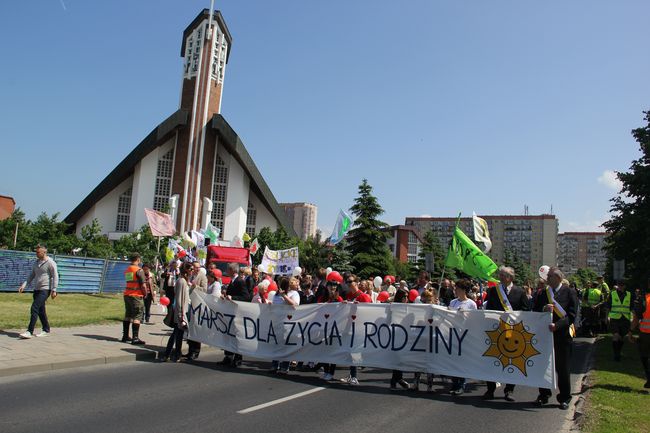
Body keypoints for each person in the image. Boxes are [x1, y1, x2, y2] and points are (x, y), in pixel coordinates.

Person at [534, 267, 578, 409]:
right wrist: (543, 310)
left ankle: (564, 397)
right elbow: (534, 311)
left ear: (558, 277)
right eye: (548, 276)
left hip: (562, 335)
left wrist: (557, 325)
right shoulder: (543, 293)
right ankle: (543, 394)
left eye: (550, 276)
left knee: (563, 368)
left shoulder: (570, 292)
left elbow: (571, 315)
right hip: (545, 335)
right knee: (543, 366)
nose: (547, 278)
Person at [483, 266, 530, 401]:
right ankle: (490, 389)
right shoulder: (493, 291)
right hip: (496, 331)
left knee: (512, 362)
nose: (501, 277)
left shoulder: (520, 292)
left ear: (510, 277)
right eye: (500, 275)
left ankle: (509, 390)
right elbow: (489, 309)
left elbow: (526, 310)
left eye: (503, 275)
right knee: (492, 360)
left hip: (513, 333)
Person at [18, 245, 58, 339]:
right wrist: (24, 285)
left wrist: (54, 289)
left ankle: (29, 331)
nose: (36, 253)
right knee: (41, 310)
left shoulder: (50, 262)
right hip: (37, 289)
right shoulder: (36, 262)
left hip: (45, 289)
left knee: (34, 308)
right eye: (36, 252)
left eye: (38, 252)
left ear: (44, 252)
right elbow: (32, 275)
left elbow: (55, 276)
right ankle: (46, 329)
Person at [448, 278, 477, 395]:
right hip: (453, 333)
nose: (456, 291)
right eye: (456, 289)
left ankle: (461, 384)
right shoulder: (453, 302)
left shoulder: (471, 304)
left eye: (458, 289)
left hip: (464, 335)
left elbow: (474, 320)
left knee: (462, 360)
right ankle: (455, 383)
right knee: (453, 360)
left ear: (464, 290)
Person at [219, 263, 251, 367]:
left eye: (228, 270)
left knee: (236, 335)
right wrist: (225, 297)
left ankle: (238, 358)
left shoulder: (240, 281)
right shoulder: (232, 281)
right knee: (228, 334)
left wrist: (233, 298)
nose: (226, 272)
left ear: (233, 270)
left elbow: (246, 297)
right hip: (230, 313)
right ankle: (228, 356)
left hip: (237, 313)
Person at [339, 278, 371, 385]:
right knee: (350, 351)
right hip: (349, 327)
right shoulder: (348, 296)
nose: (348, 284)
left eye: (351, 281)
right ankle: (351, 375)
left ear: (356, 282)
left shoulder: (363, 296)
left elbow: (370, 310)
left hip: (359, 327)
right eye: (347, 282)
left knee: (354, 351)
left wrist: (360, 307)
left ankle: (354, 377)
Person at [161, 262, 192, 362]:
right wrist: (181, 314)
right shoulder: (181, 281)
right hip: (180, 312)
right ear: (186, 270)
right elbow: (179, 299)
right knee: (176, 334)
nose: (192, 271)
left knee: (178, 334)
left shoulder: (184, 281)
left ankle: (174, 354)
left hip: (182, 311)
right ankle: (168, 354)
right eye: (190, 269)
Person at [270, 277, 301, 374]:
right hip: (277, 322)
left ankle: (285, 366)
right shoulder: (276, 294)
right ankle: (275, 365)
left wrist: (284, 296)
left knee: (286, 345)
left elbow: (295, 305)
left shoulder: (294, 293)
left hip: (288, 322)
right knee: (276, 344)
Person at [121, 253, 146, 345]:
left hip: (127, 294)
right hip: (136, 295)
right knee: (137, 316)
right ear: (138, 259)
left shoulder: (128, 269)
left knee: (128, 315)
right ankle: (135, 338)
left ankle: (125, 336)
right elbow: (143, 285)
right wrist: (145, 294)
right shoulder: (139, 270)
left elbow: (130, 281)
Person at [185, 263, 208, 361]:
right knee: (189, 328)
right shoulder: (189, 275)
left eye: (199, 267)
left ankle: (196, 351)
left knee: (196, 327)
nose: (197, 269)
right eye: (195, 267)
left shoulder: (202, 277)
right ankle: (190, 350)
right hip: (188, 302)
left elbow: (205, 290)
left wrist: (195, 286)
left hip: (197, 304)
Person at [630, 282, 650, 388]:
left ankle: (649, 377)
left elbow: (636, 318)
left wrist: (630, 331)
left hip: (646, 334)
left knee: (644, 356)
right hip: (645, 333)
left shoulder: (644, 299)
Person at [607, 282, 634, 361]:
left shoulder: (629, 294)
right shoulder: (613, 294)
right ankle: (616, 355)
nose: (620, 286)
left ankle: (619, 351)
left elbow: (631, 307)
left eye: (622, 285)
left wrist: (632, 317)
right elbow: (608, 306)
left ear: (624, 286)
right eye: (619, 285)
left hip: (625, 318)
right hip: (614, 318)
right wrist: (607, 316)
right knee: (616, 335)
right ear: (617, 285)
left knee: (621, 337)